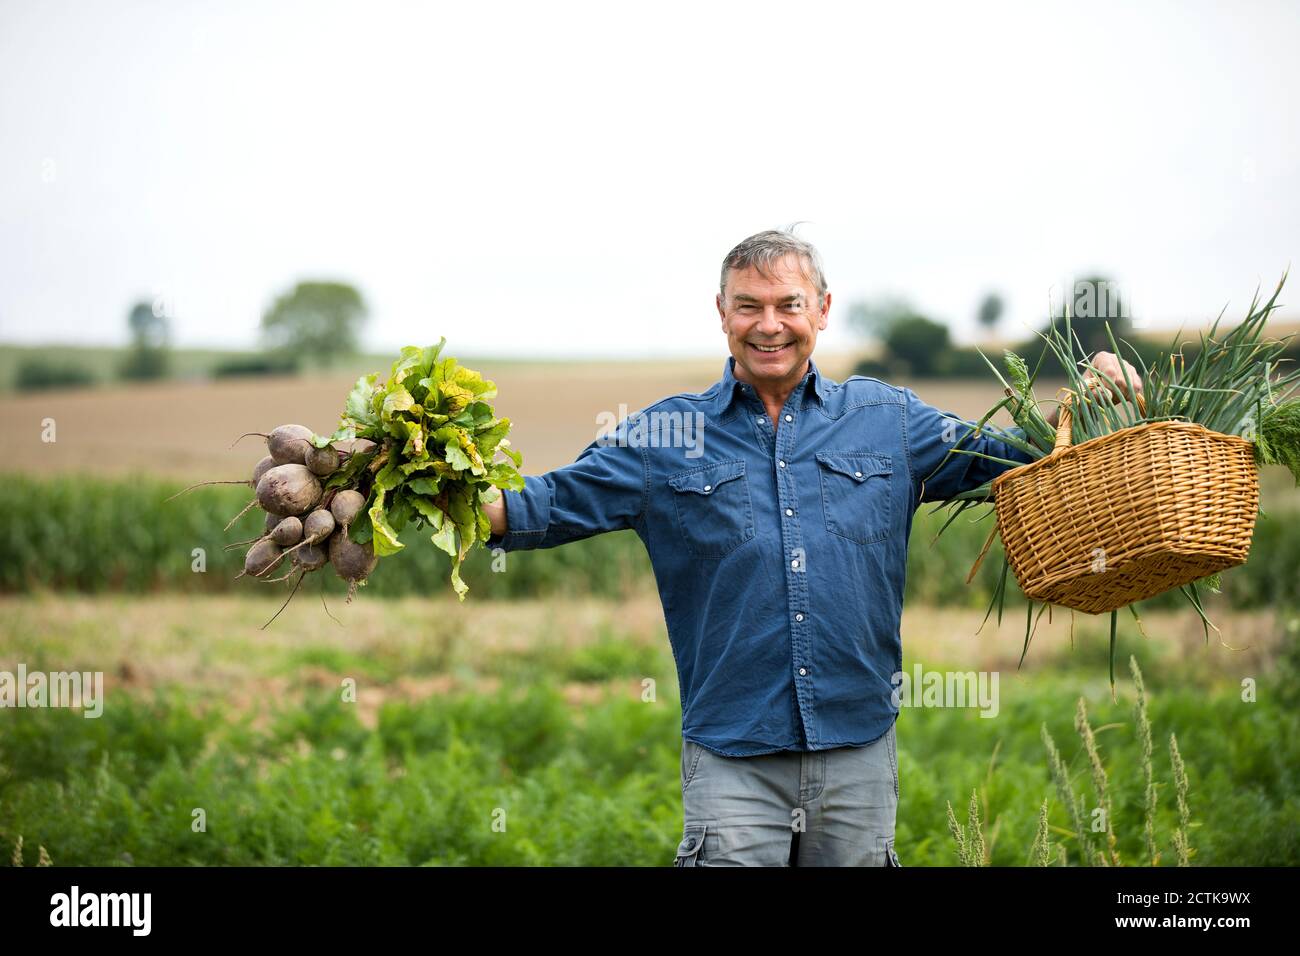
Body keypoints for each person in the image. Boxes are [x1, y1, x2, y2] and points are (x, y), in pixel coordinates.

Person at [483, 228, 1141, 866]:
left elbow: (1021, 459)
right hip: (732, 757)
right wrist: (419, 480)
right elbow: (538, 506)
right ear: (722, 314)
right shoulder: (665, 435)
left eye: (788, 304)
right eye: (749, 305)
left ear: (822, 311)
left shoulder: (890, 421)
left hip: (857, 749)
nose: (769, 324)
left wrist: (1087, 406)